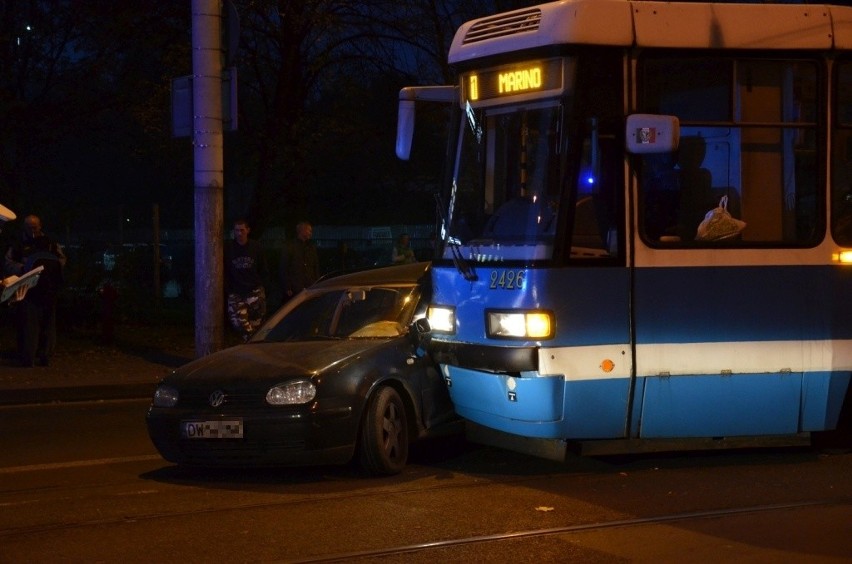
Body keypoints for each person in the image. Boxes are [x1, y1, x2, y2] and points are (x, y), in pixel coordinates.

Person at [4, 214, 66, 367]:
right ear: (24, 228)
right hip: (28, 290)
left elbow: (62, 260)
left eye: (35, 227)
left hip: (48, 289)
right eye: (29, 227)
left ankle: (45, 355)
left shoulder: (50, 243)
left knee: (47, 325)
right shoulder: (18, 245)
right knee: (29, 325)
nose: (32, 230)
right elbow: (8, 262)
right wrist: (23, 269)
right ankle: (29, 357)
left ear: (40, 226)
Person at [224, 218, 269, 342]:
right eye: (236, 230)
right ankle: (251, 343)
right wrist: (229, 288)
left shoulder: (256, 247)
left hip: (254, 290)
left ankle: (252, 346)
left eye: (242, 230)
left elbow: (263, 268)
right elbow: (225, 269)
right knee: (238, 322)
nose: (239, 233)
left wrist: (261, 286)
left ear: (248, 230)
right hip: (236, 291)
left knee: (257, 323)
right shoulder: (228, 248)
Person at [279, 220, 319, 303]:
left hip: (309, 285)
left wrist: (316, 283)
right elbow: (284, 267)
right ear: (302, 230)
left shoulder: (311, 248)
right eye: (309, 230)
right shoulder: (290, 247)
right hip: (295, 287)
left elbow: (315, 266)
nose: (311, 233)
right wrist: (287, 287)